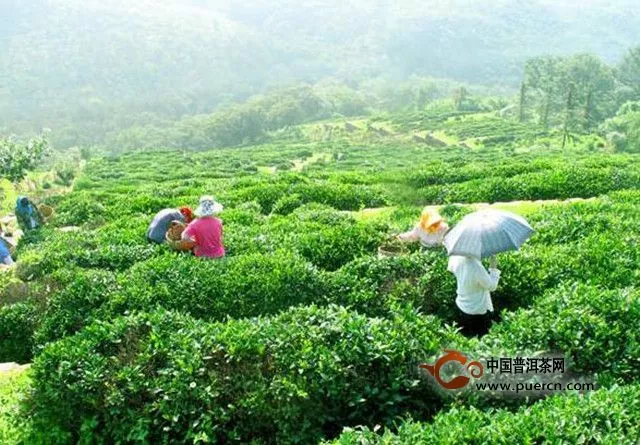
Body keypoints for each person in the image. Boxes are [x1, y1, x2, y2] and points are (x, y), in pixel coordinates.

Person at [447, 255, 501, 335]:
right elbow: (492, 286)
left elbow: (451, 268)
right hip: (476, 310)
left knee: (464, 339)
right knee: (479, 339)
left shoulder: (455, 257)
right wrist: (493, 267)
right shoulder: (476, 267)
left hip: (461, 305)